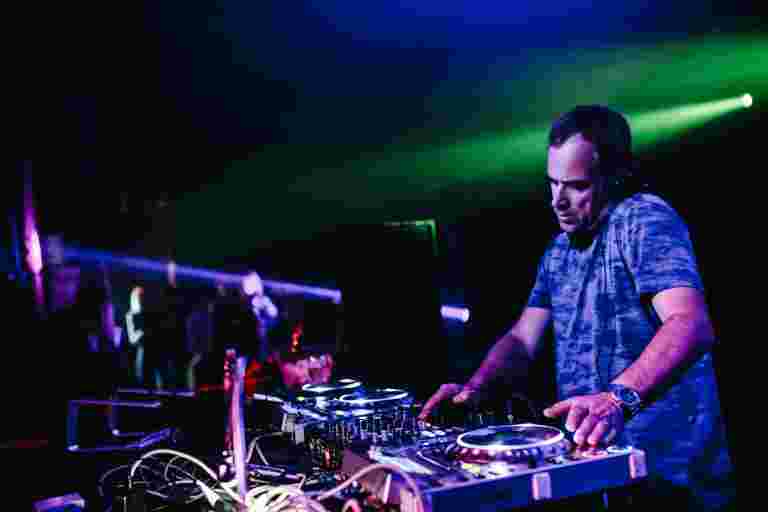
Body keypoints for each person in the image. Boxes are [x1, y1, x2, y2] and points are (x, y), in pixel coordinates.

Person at [419, 105, 735, 511]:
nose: (558, 200)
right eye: (552, 184)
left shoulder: (643, 218)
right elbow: (522, 339)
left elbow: (690, 323)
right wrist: (475, 390)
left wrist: (617, 400)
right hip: (604, 471)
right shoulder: (559, 250)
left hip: (672, 478)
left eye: (577, 186)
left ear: (615, 175)